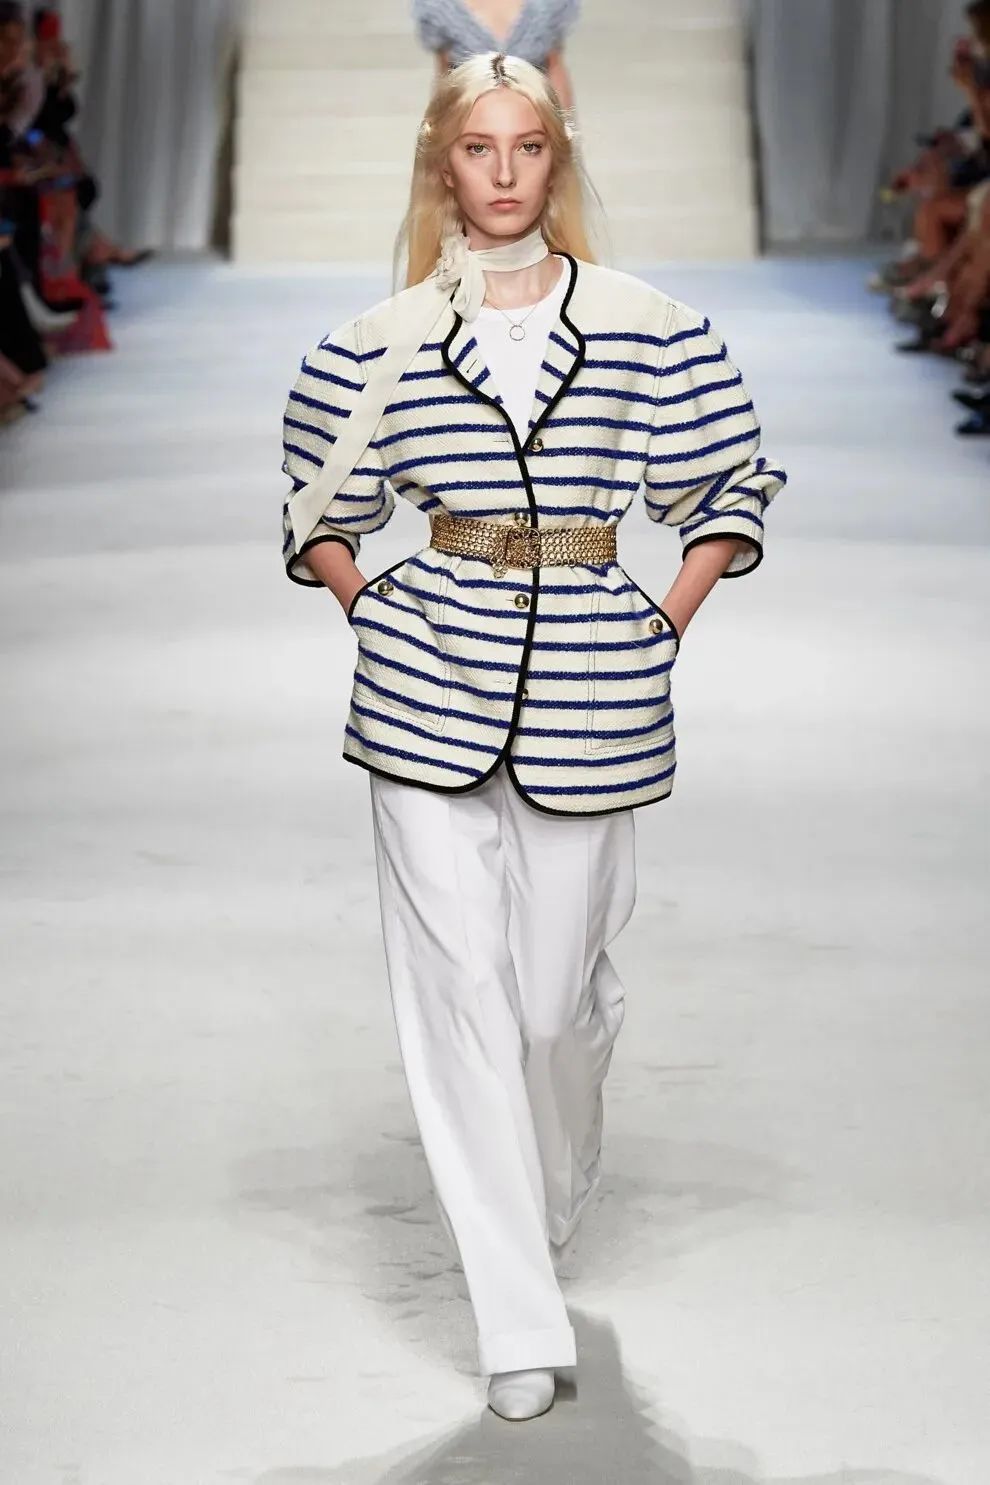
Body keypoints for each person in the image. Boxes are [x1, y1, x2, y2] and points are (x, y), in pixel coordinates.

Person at [279, 51, 787, 1421]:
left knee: (554, 1008)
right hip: (424, 678)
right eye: (477, 148)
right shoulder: (376, 341)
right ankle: (516, 1322)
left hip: (592, 681)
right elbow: (315, 499)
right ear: (440, 164)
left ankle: (550, 1180)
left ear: (557, 162)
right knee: (459, 1000)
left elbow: (729, 481)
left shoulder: (648, 327)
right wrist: (371, 609)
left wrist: (663, 623)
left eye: (527, 148)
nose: (502, 173)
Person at [411, 0, 579, 111]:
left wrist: (566, 138)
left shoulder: (548, 5)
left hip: (536, 127)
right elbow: (445, 75)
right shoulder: (438, 5)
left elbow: (554, 66)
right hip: (470, 129)